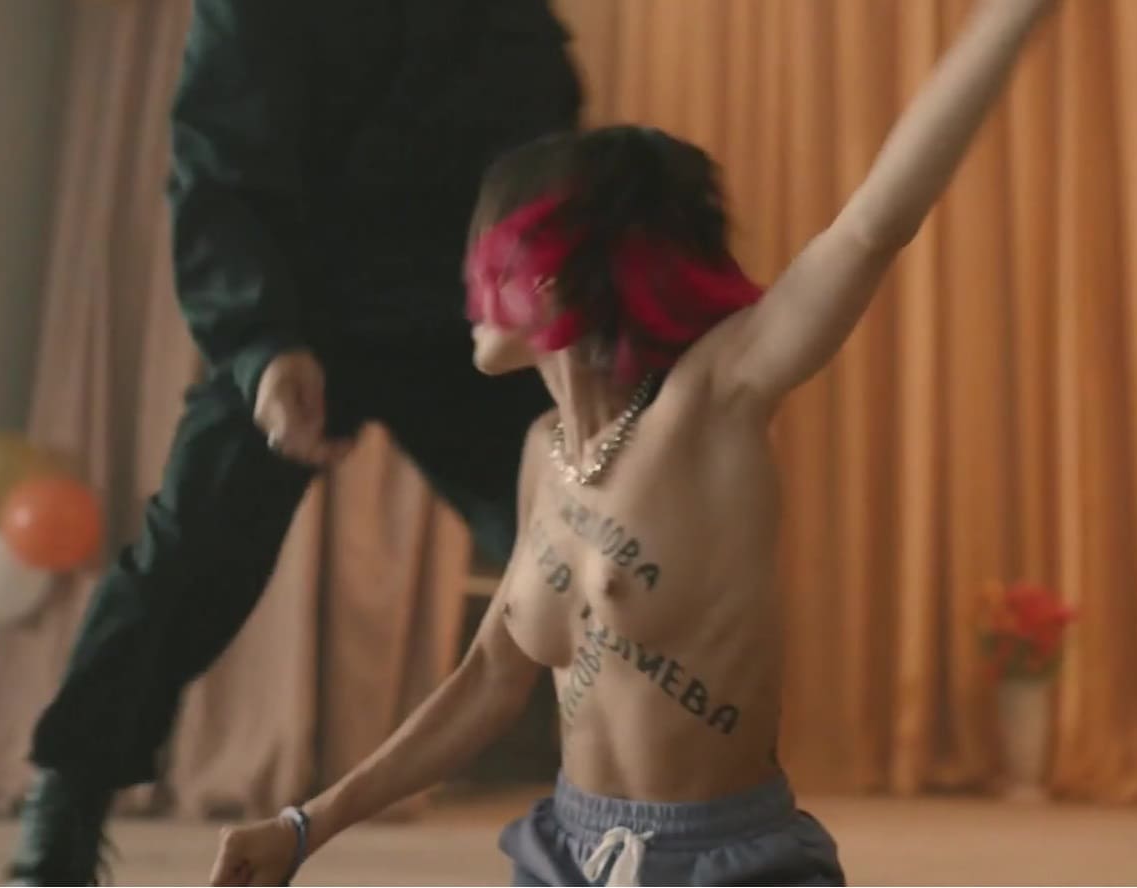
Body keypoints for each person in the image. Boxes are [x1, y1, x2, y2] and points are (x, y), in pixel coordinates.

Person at [210, 0, 1059, 884]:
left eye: (482, 256)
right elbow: (490, 677)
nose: (462, 287)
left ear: (545, 272)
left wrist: (1012, 14)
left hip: (723, 863)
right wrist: (304, 827)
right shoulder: (546, 451)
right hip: (565, 853)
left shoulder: (710, 404)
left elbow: (870, 227)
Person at [8, 1, 582, 883]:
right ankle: (67, 797)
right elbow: (217, 177)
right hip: (296, 312)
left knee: (583, 540)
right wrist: (260, 344)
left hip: (462, 323)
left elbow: (543, 161)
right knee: (190, 552)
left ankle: (662, 793)